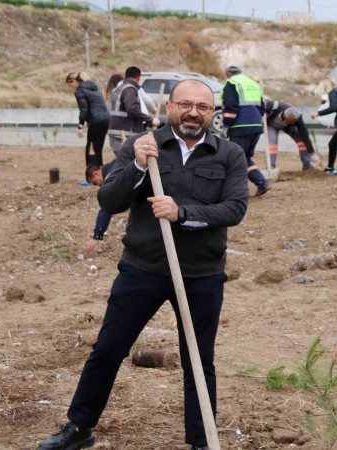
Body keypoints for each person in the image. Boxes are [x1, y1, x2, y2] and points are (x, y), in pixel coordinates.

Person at [36, 79, 249, 450]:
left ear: (212, 113)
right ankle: (79, 427)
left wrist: (181, 213)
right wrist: (135, 164)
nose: (193, 112)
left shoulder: (229, 153)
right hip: (143, 267)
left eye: (202, 107)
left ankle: (202, 441)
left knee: (199, 360)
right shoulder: (143, 146)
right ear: (169, 107)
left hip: (201, 274)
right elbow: (109, 199)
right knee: (108, 349)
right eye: (185, 104)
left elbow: (235, 208)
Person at [222, 63, 271, 196]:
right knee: (245, 158)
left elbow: (230, 108)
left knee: (235, 158)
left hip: (240, 127)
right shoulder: (252, 83)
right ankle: (261, 182)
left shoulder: (231, 83)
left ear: (228, 73)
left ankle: (235, 191)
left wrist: (225, 125)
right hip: (255, 126)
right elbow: (262, 106)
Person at [107, 66, 159, 157]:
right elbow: (132, 110)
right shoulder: (129, 89)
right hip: (125, 134)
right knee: (127, 162)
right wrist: (151, 120)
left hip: (116, 132)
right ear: (138, 77)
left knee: (122, 161)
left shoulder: (119, 88)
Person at [66, 72, 110, 168]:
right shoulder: (95, 89)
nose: (72, 88)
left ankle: (91, 174)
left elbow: (84, 109)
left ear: (74, 81)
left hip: (96, 121)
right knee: (98, 148)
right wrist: (89, 121)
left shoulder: (80, 91)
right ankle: (100, 173)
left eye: (70, 85)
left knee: (91, 149)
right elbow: (97, 106)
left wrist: (80, 126)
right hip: (106, 119)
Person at [264, 98, 320, 170]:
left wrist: (312, 153)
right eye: (292, 121)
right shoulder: (273, 106)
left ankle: (307, 164)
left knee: (301, 140)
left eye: (295, 121)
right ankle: (270, 166)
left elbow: (305, 135)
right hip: (271, 124)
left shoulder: (297, 118)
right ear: (287, 117)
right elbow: (259, 111)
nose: (295, 123)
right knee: (272, 142)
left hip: (287, 127)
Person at [83, 160, 116, 256]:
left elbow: (107, 206)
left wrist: (96, 236)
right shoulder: (114, 164)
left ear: (96, 174)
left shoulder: (111, 176)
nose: (98, 185)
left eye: (95, 183)